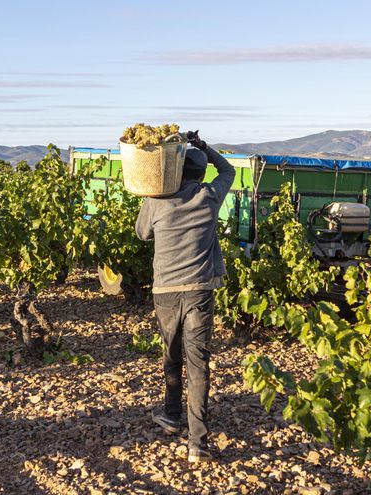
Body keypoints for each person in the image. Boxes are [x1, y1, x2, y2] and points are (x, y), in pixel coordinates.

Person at [135, 130, 235, 463]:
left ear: (176, 171)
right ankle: (197, 444)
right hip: (199, 292)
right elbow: (228, 170)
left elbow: (142, 234)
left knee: (171, 355)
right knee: (198, 363)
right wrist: (202, 145)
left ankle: (171, 415)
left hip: (165, 291)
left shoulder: (156, 200)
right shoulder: (209, 195)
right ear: (201, 174)